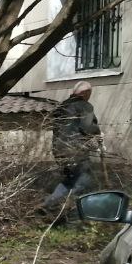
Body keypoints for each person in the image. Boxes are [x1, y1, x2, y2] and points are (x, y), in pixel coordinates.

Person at [42, 80, 101, 213]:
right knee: (84, 181)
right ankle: (72, 208)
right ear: (85, 93)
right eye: (90, 93)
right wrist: (98, 133)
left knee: (70, 180)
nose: (90, 96)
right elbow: (88, 127)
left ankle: (48, 204)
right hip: (76, 151)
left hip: (59, 151)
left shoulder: (61, 106)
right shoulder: (84, 106)